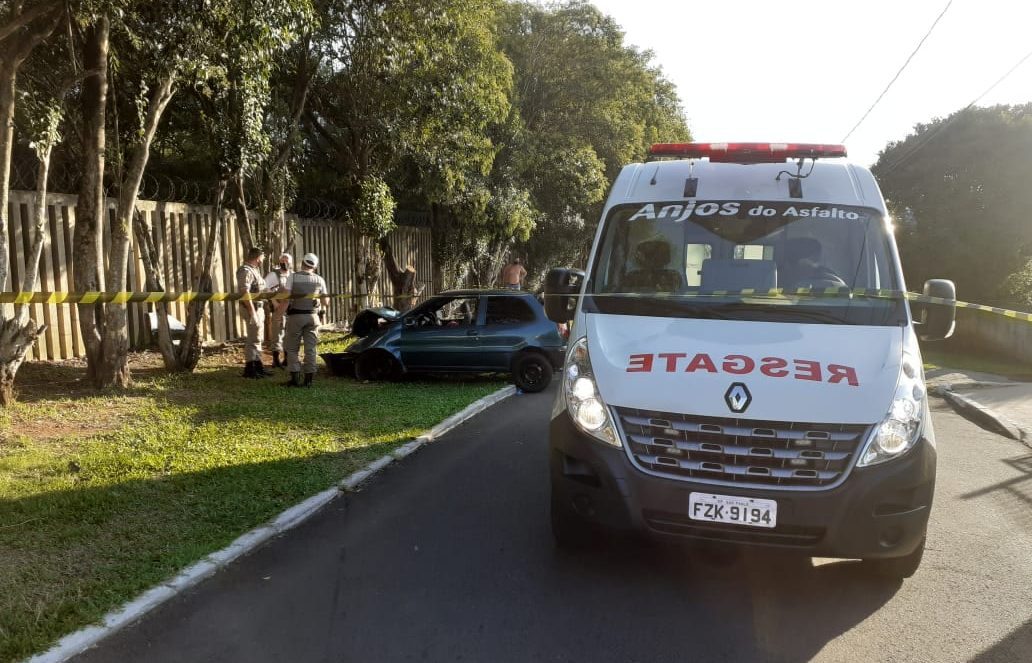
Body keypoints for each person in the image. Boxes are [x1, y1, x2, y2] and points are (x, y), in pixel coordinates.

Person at [282, 253, 330, 388]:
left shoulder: (293, 277)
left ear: (302, 263)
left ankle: (295, 378)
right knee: (310, 349)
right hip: (313, 318)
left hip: (295, 317)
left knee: (291, 348)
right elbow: (326, 301)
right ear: (314, 267)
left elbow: (285, 297)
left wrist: (279, 313)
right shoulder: (319, 280)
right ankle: (308, 380)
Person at [236, 246, 270, 378]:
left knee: (257, 338)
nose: (262, 260)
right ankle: (250, 368)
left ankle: (258, 366)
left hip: (258, 307)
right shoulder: (245, 271)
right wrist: (252, 313)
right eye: (262, 258)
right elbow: (245, 292)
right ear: (257, 258)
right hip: (252, 308)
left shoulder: (254, 270)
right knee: (253, 338)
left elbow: (260, 289)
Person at [264, 252, 294, 368]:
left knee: (289, 334)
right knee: (277, 334)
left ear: (290, 262)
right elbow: (265, 288)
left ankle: (287, 359)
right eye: (282, 261)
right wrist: (274, 302)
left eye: (287, 261)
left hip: (291, 310)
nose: (284, 263)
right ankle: (275, 360)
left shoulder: (293, 275)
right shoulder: (273, 274)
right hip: (278, 309)